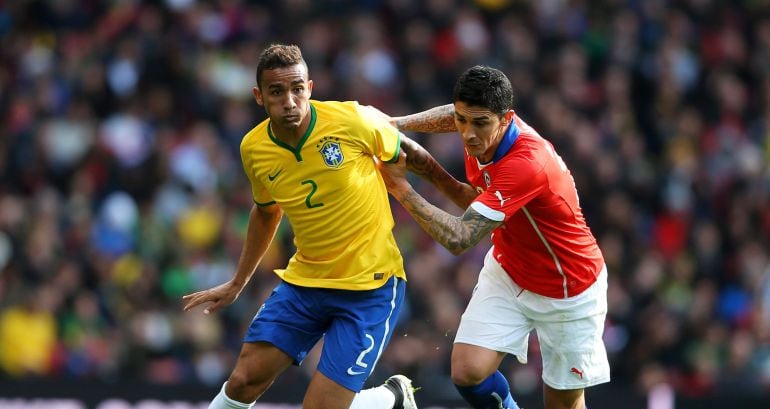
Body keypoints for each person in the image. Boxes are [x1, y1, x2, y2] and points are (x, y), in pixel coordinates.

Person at [182, 44, 467, 409]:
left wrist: (457, 192)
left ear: (310, 88)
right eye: (277, 91)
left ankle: (392, 397)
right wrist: (238, 282)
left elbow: (410, 154)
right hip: (305, 283)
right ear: (259, 96)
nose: (289, 101)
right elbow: (266, 211)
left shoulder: (351, 120)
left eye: (297, 89)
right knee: (242, 381)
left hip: (370, 286)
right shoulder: (253, 148)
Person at [378, 65, 610, 409]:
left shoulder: (526, 163)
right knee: (468, 371)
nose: (468, 134)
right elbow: (476, 200)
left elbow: (460, 238)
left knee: (563, 403)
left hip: (568, 288)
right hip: (510, 269)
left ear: (506, 119)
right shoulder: (483, 132)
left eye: (480, 123)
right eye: (462, 121)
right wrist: (396, 125)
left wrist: (400, 186)